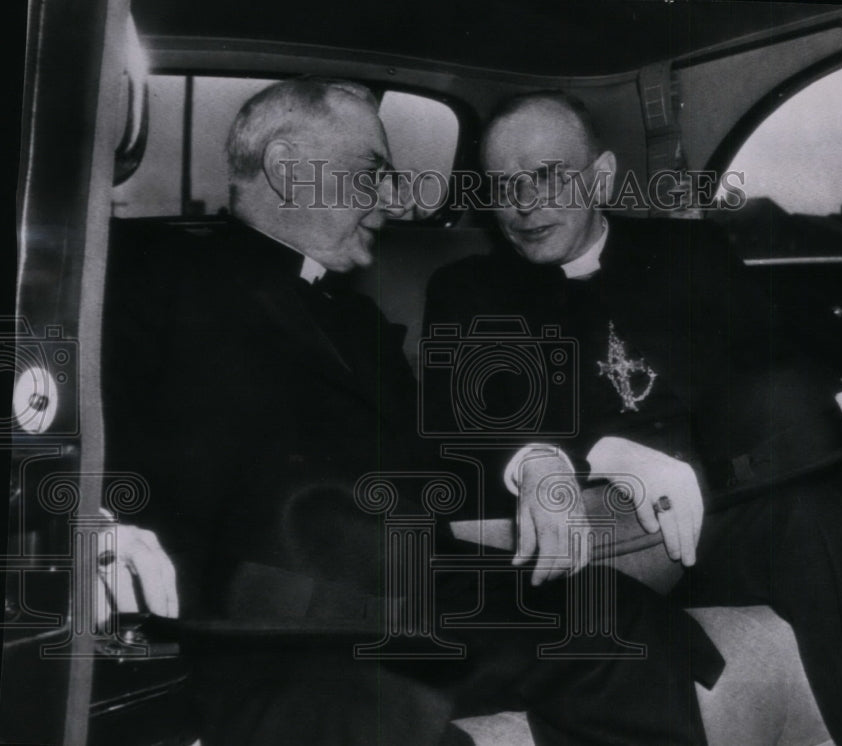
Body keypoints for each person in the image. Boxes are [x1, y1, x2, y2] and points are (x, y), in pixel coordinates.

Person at [102, 79, 726, 745]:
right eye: (374, 173)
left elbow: (443, 453)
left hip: (414, 594)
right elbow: (61, 419)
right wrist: (98, 522)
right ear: (287, 169)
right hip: (266, 619)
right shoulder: (152, 273)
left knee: (618, 629)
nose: (393, 199)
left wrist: (543, 458)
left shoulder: (359, 320)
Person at [422, 91, 842, 746]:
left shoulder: (688, 252)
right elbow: (474, 421)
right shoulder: (470, 288)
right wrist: (583, 456)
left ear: (600, 176)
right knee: (813, 520)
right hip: (630, 540)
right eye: (502, 185)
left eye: (545, 176)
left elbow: (772, 354)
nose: (521, 203)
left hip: (743, 486)